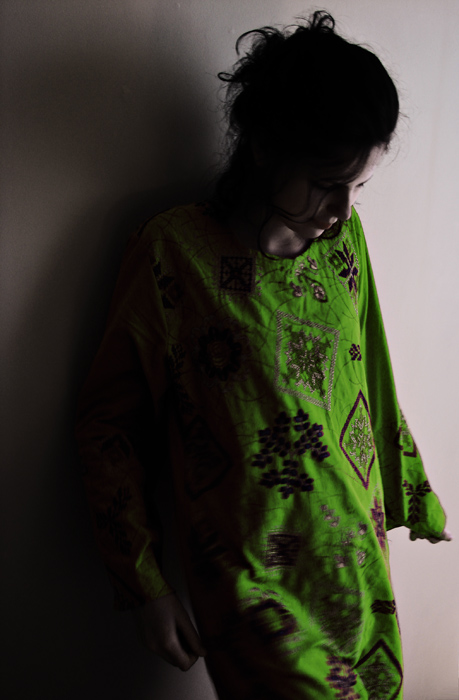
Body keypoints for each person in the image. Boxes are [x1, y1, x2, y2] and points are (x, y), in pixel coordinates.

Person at [75, 11, 451, 699]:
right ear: (266, 147)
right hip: (251, 588)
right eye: (327, 182)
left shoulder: (343, 243)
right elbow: (109, 427)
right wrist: (143, 583)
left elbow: (368, 372)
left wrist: (408, 491)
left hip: (359, 567)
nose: (342, 210)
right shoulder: (173, 254)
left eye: (359, 187)